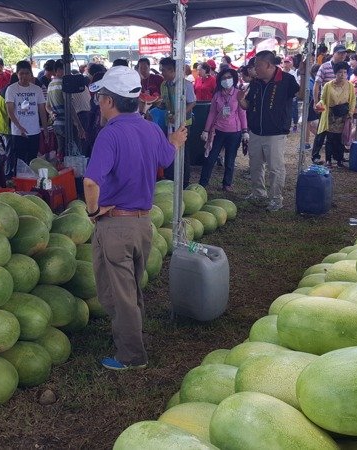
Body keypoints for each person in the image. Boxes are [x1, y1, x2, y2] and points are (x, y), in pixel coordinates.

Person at [83, 65, 187, 370]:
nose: (98, 101)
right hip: (144, 223)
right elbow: (166, 157)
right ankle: (130, 335)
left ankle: (131, 355)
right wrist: (176, 141)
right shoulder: (150, 127)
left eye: (100, 96)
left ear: (110, 101)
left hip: (115, 223)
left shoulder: (109, 134)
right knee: (131, 287)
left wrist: (92, 212)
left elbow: (90, 182)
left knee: (120, 293)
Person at [238, 50, 300, 211]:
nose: (255, 69)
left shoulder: (287, 80)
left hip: (276, 133)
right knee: (255, 164)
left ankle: (276, 198)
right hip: (256, 131)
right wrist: (240, 101)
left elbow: (300, 94)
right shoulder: (256, 83)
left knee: (275, 167)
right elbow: (247, 106)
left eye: (257, 65)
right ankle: (258, 192)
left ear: (269, 65)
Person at [199, 68, 247, 190]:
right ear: (220, 80)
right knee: (210, 158)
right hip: (218, 131)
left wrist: (245, 130)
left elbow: (242, 113)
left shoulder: (238, 93)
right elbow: (212, 113)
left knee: (230, 160)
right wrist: (206, 130)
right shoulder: (217, 95)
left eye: (228, 77)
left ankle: (227, 184)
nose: (226, 80)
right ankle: (203, 183)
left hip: (234, 132)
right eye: (223, 78)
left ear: (234, 79)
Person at [5, 60, 50, 176]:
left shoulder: (37, 89)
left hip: (34, 130)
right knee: (20, 160)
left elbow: (42, 111)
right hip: (18, 132)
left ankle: (32, 182)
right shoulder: (11, 89)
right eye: (21, 73)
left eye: (26, 73)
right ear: (17, 74)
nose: (24, 76)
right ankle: (19, 181)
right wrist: (19, 127)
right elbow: (10, 110)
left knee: (33, 160)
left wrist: (45, 130)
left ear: (31, 74)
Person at [159, 57, 196, 186]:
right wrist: (160, 105)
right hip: (169, 123)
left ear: (172, 71)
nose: (161, 73)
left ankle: (184, 182)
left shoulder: (185, 84)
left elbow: (192, 102)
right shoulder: (163, 85)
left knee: (183, 153)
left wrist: (180, 115)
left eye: (163, 70)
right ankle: (170, 178)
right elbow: (164, 102)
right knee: (170, 148)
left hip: (184, 124)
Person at [311, 45, 348, 164]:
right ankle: (316, 155)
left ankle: (338, 156)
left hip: (340, 103)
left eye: (344, 54)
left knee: (339, 131)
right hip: (325, 102)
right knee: (322, 130)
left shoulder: (344, 66)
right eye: (340, 53)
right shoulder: (325, 66)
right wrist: (316, 102)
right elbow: (317, 84)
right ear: (334, 53)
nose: (342, 55)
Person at [316, 61, 355, 168]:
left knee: (340, 139)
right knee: (330, 139)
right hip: (330, 115)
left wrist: (350, 113)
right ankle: (328, 160)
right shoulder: (328, 85)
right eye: (340, 72)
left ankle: (339, 159)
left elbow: (352, 100)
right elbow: (323, 99)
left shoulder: (350, 86)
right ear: (335, 73)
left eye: (344, 72)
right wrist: (319, 105)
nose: (342, 75)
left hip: (343, 116)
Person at [47, 59, 86, 157]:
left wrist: (52, 113)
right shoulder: (64, 84)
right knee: (75, 151)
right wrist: (79, 125)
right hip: (67, 123)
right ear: (59, 70)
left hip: (56, 124)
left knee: (61, 151)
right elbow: (69, 106)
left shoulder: (50, 84)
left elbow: (47, 106)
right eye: (65, 70)